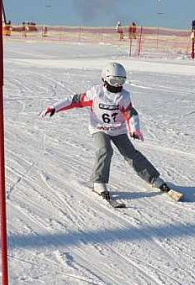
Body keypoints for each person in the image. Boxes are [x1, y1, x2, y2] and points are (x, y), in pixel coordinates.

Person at [39, 62, 177, 204]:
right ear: (104, 79)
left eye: (121, 81)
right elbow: (74, 100)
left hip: (118, 129)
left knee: (131, 154)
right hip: (99, 128)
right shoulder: (96, 93)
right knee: (105, 150)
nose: (117, 85)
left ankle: (154, 179)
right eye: (114, 81)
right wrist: (54, 107)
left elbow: (131, 114)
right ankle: (98, 182)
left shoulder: (124, 96)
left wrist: (134, 129)